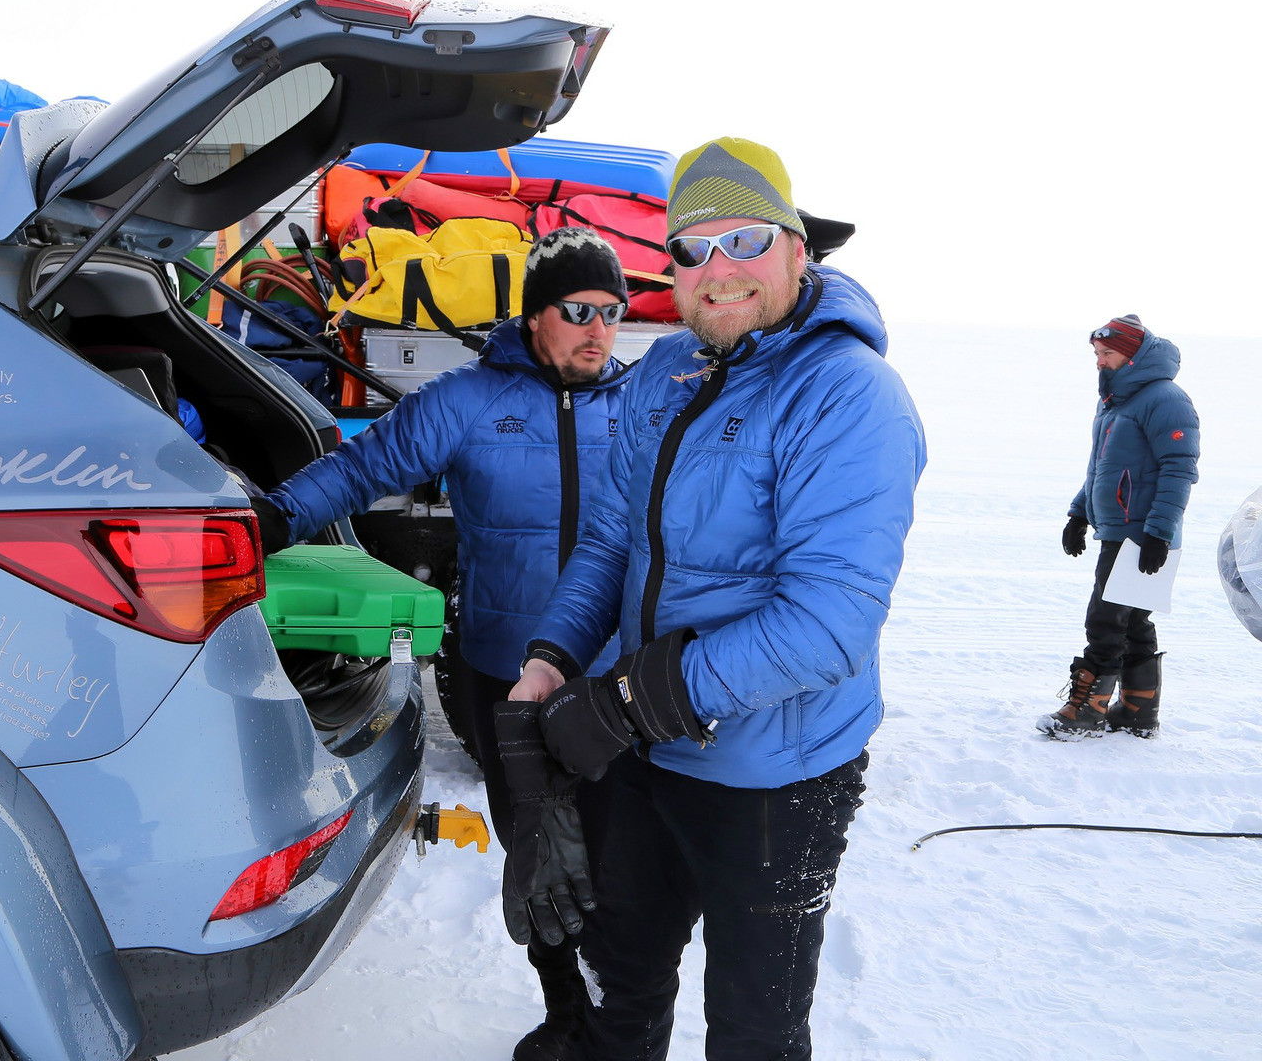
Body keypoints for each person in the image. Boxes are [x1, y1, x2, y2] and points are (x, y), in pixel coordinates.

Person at [498, 137, 926, 1061]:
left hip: (778, 776)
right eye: (693, 249)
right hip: (648, 755)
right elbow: (611, 540)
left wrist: (623, 702)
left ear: (798, 249)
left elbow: (829, 624)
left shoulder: (850, 396)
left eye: (745, 240)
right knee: (621, 977)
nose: (717, 269)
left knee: (753, 1025)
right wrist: (553, 660)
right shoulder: (665, 371)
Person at [256, 227, 632, 1061]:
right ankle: (568, 1014)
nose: (597, 330)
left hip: (615, 677)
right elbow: (363, 468)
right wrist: (274, 517)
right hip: (507, 675)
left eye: (613, 312)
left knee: (622, 868)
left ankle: (622, 1027)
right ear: (537, 317)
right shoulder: (466, 401)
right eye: (578, 311)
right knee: (540, 862)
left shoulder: (640, 405)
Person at [1038, 315, 1199, 739]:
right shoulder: (1116, 401)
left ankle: (1087, 710)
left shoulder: (1165, 399)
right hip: (1119, 527)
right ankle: (1137, 712)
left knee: (1106, 620)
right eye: (1096, 354)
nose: (1099, 362)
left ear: (1133, 355)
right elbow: (1103, 468)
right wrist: (1079, 513)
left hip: (1140, 533)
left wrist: (1158, 532)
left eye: (1107, 354)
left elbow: (1178, 469)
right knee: (1132, 620)